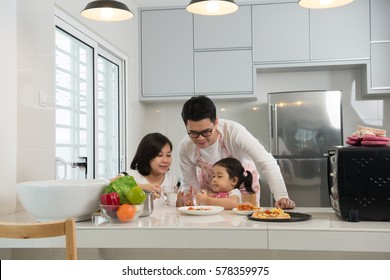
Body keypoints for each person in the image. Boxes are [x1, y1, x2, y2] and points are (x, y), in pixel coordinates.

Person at [177, 95, 295, 209]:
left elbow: (266, 162)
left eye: (206, 131)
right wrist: (193, 202)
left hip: (244, 188)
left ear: (216, 122)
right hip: (210, 194)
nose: (200, 138)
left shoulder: (234, 132)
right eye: (193, 133)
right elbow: (190, 185)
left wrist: (281, 196)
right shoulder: (185, 148)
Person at [113, 133, 179, 208]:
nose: (165, 160)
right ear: (147, 156)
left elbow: (177, 208)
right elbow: (109, 184)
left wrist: (186, 200)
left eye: (168, 155)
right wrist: (142, 187)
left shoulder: (173, 180)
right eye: (159, 155)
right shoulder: (130, 176)